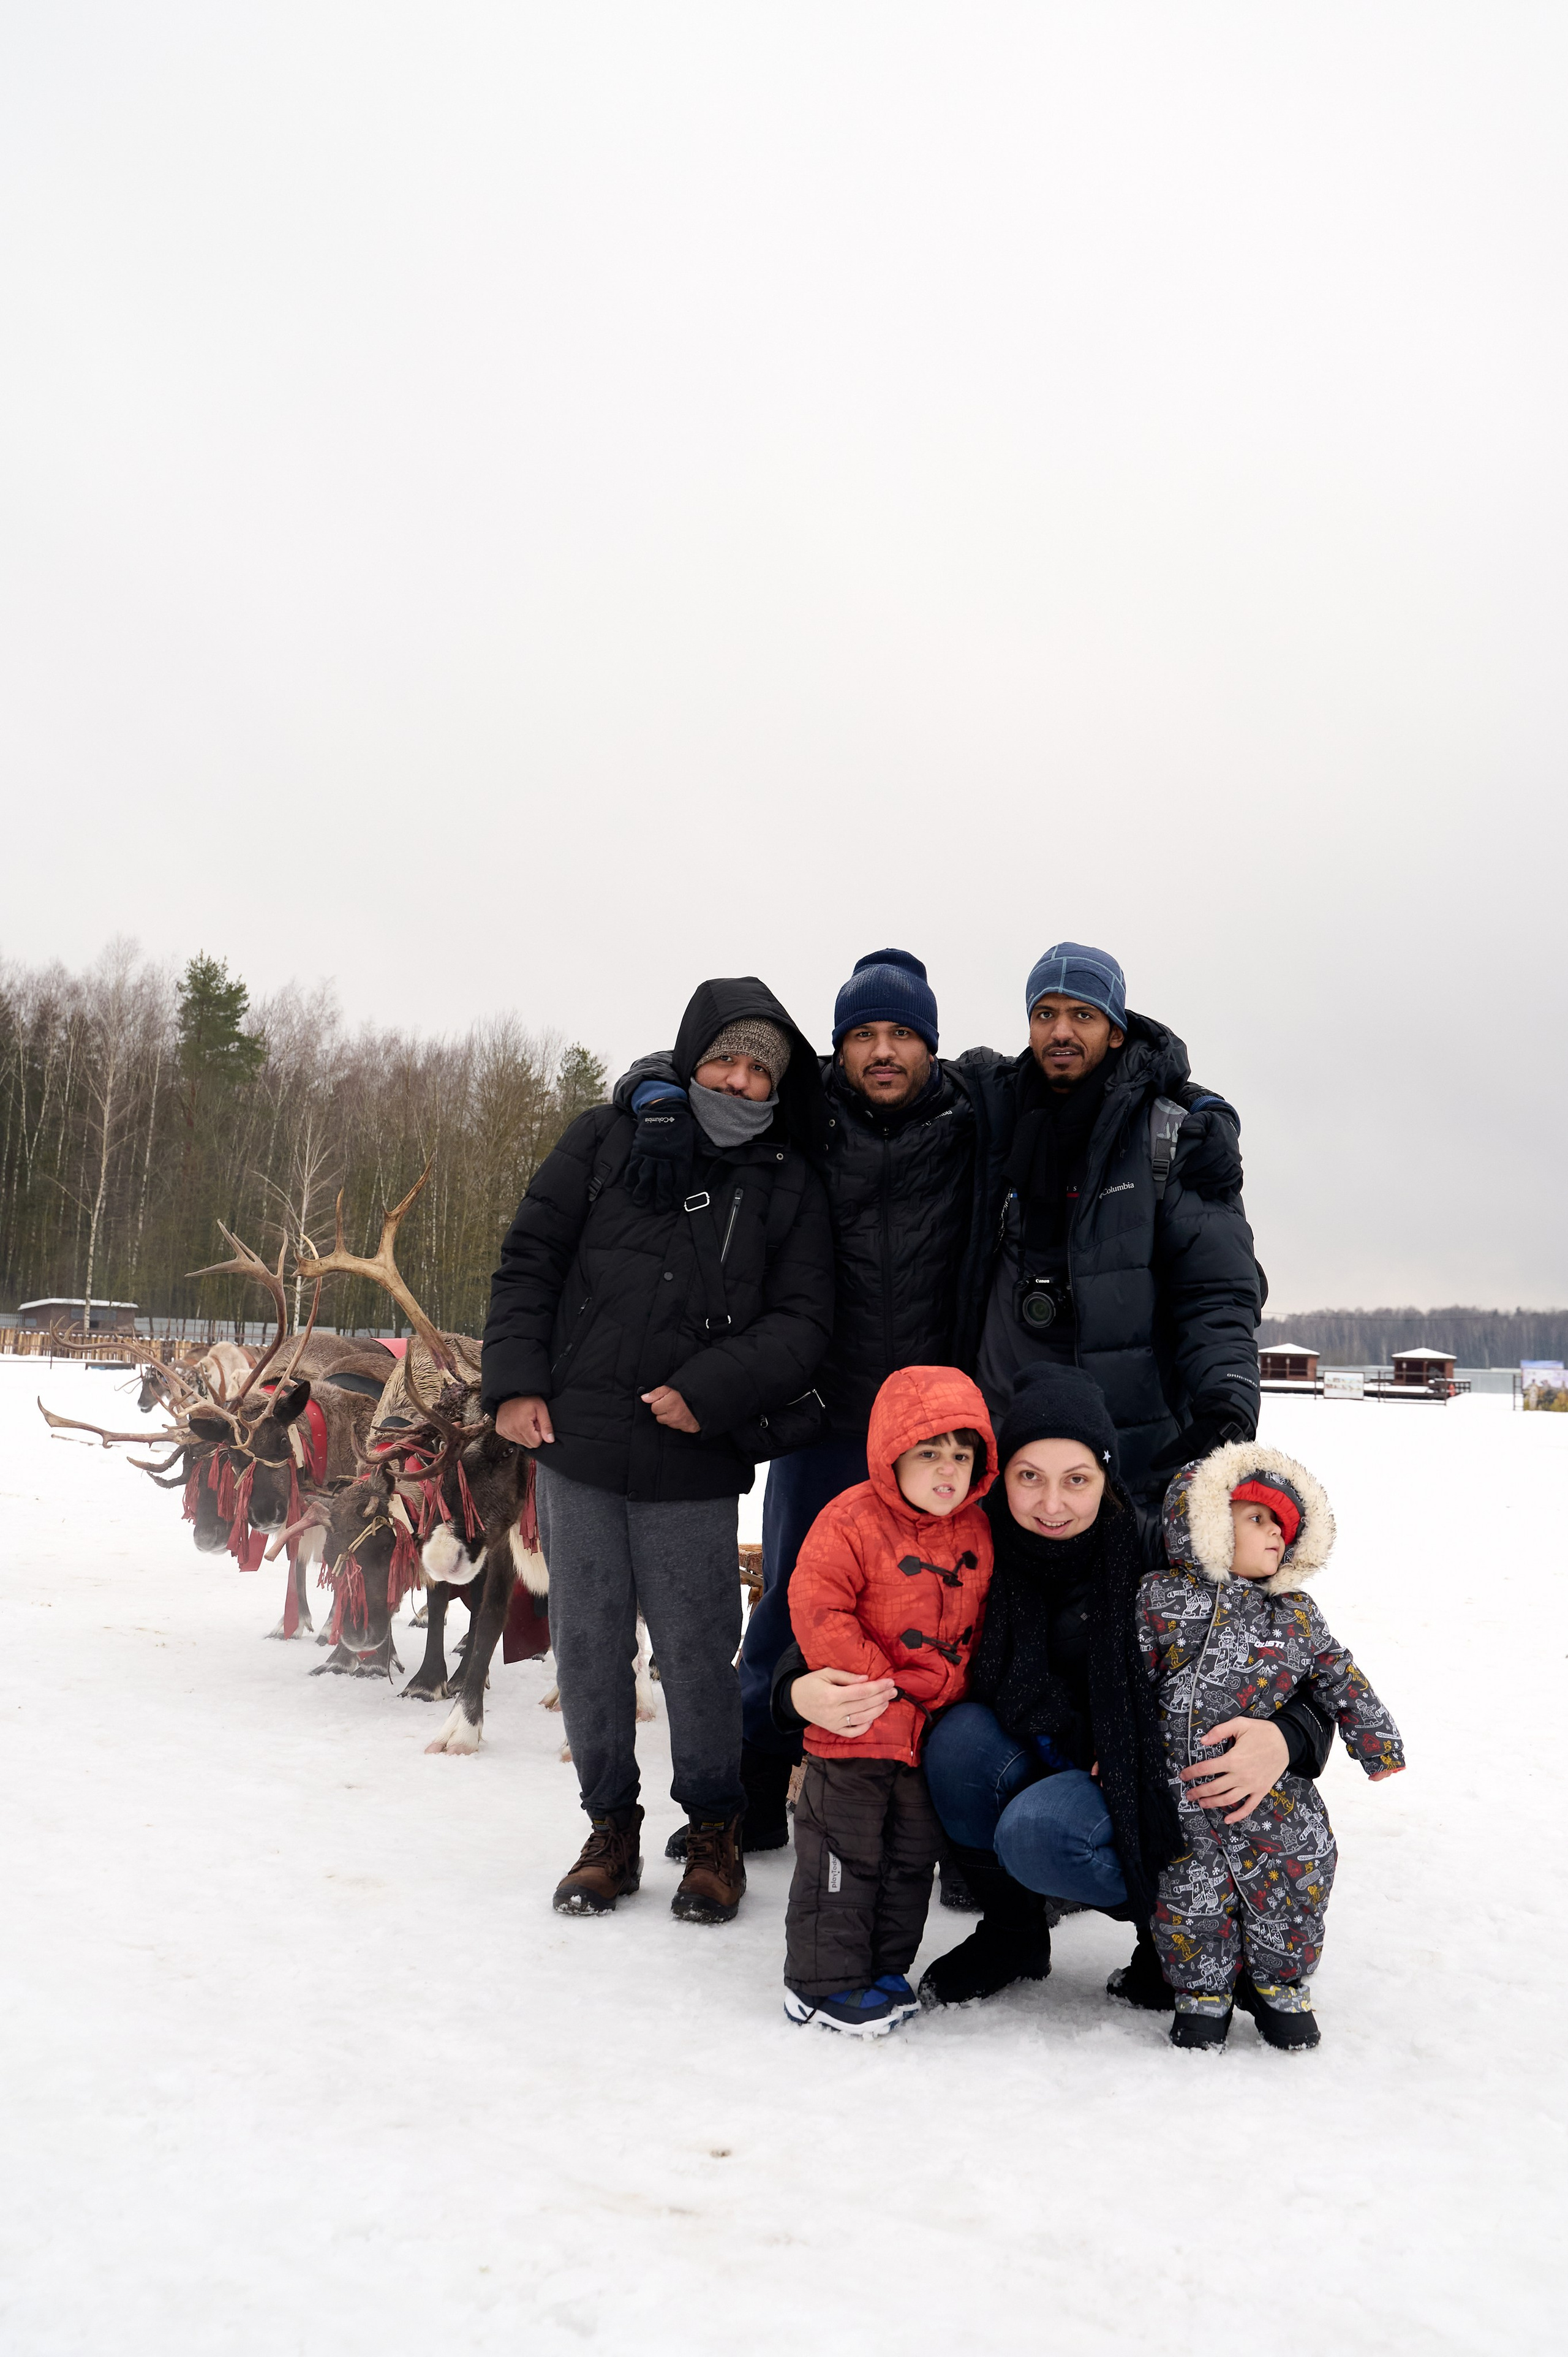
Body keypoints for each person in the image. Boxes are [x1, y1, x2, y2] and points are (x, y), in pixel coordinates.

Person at [614, 945, 1250, 1851]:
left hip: (945, 1433)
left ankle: (948, 1806)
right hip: (824, 1416)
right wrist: (655, 1094)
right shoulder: (804, 1115)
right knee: (795, 1598)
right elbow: (709, 1071)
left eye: (904, 1034)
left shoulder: (970, 1110)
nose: (884, 1051)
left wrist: (1200, 1099)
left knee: (956, 1617)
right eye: (864, 1034)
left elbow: (1122, 1071)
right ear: (837, 1048)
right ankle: (755, 1782)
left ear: (932, 1046)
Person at [774, 1362, 1335, 2009]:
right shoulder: (967, 1536)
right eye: (1028, 1477)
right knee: (956, 1745)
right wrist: (796, 1689)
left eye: (1077, 1480)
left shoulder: (1162, 1550)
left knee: (1040, 1833)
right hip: (1043, 1751)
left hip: (1153, 1777)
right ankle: (1014, 1932)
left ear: (1106, 1477)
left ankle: (1176, 1932)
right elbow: (843, 1620)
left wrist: (1287, 1737)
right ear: (1000, 1475)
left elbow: (1306, 1658)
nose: (1051, 1503)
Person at [480, 978, 834, 1928]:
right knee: (589, 1645)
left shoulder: (788, 1180)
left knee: (694, 1652)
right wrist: (515, 1383)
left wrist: (710, 1392)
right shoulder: (605, 1138)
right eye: (726, 1055)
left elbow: (804, 1325)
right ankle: (608, 1829)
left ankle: (714, 1829)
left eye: (762, 1067)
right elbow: (531, 1259)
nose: (741, 1078)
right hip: (576, 1446)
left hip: (691, 1458)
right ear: (690, 1053)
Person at [954, 941, 1262, 1506]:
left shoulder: (1169, 1136)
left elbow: (1215, 1290)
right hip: (1004, 1450)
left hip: (1129, 1445)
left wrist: (1227, 1396)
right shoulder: (991, 1117)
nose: (1061, 1032)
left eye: (1084, 1015)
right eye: (1045, 1014)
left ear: (1117, 1031)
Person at [1140, 1444, 1405, 2050]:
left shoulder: (1298, 1614)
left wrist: (1376, 1739)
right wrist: (1113, 1748)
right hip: (1185, 1795)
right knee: (1189, 1895)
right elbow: (1127, 1678)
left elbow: (1341, 1677)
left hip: (1278, 1796)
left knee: (1300, 1877)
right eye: (1255, 1517)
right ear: (1206, 1518)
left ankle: (1281, 1985)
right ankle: (1202, 1994)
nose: (1273, 1535)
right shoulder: (1159, 1599)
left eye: (1282, 1527)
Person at [781, 1367, 996, 2035]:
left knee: (910, 1855)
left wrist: (950, 1692)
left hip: (925, 1735)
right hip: (858, 1722)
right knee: (844, 1856)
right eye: (929, 1453)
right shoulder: (849, 1519)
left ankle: (882, 1967)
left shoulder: (978, 1532)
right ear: (890, 1455)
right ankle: (819, 1982)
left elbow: (978, 1629)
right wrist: (884, 1684)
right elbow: (818, 1604)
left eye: (961, 1456)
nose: (947, 1472)